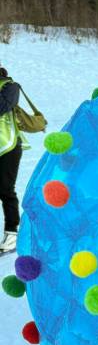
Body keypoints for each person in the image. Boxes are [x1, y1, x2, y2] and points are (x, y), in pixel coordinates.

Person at [0, 67, 23, 254]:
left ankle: (12, 234)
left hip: (8, 146)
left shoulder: (10, 86)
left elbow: (1, 107)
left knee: (5, 189)